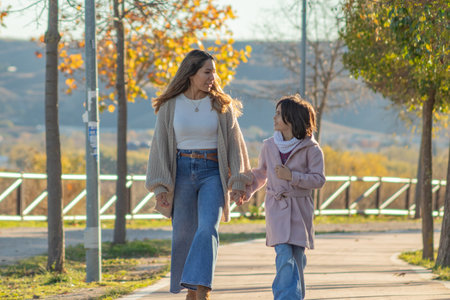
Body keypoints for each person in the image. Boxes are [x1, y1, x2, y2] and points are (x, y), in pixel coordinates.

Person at [145, 49, 251, 300]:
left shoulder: (221, 106)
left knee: (207, 228)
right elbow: (159, 146)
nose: (213, 76)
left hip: (212, 172)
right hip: (181, 171)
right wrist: (160, 187)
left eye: (214, 71)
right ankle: (191, 290)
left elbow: (236, 145)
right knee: (183, 233)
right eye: (207, 71)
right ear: (191, 73)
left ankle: (202, 290)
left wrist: (238, 180)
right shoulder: (170, 106)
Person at [242, 94, 326, 300]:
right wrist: (245, 190)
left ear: (292, 118)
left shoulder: (312, 149)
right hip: (276, 208)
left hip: (300, 209)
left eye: (279, 114)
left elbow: (318, 180)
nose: (274, 118)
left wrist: (292, 177)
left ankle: (295, 295)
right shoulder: (269, 146)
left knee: (297, 259)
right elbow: (261, 174)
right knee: (284, 257)